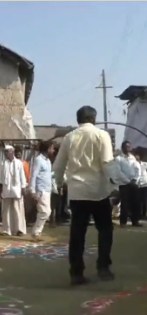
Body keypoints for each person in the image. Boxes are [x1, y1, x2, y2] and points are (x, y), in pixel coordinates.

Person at [53, 105, 117, 285]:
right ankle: (103, 266)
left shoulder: (69, 137)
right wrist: (115, 185)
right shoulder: (101, 135)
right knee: (105, 230)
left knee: (77, 233)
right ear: (94, 119)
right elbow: (107, 163)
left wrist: (57, 184)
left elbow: (58, 165)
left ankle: (76, 272)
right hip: (98, 192)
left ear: (78, 119)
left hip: (77, 192)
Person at [0, 145, 27, 236]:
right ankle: (7, 230)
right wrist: (0, 190)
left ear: (12, 152)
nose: (6, 153)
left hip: (17, 190)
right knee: (6, 211)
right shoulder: (2, 163)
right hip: (6, 190)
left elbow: (22, 176)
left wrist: (23, 188)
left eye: (7, 151)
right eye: (5, 152)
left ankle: (19, 230)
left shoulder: (19, 163)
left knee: (18, 210)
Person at [29, 141, 55, 241]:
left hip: (47, 190)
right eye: (52, 148)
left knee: (45, 212)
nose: (53, 150)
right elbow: (33, 175)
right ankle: (36, 232)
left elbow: (48, 175)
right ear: (47, 149)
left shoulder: (48, 161)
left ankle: (37, 232)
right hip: (40, 190)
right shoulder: (38, 160)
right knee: (45, 212)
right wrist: (32, 190)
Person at [115, 141, 142, 227]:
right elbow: (118, 172)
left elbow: (137, 168)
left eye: (129, 147)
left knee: (135, 202)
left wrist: (135, 179)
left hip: (133, 183)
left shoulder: (132, 158)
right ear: (122, 148)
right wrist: (127, 180)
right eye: (126, 147)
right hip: (124, 184)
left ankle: (135, 220)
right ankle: (123, 222)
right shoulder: (118, 158)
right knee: (124, 203)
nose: (128, 148)